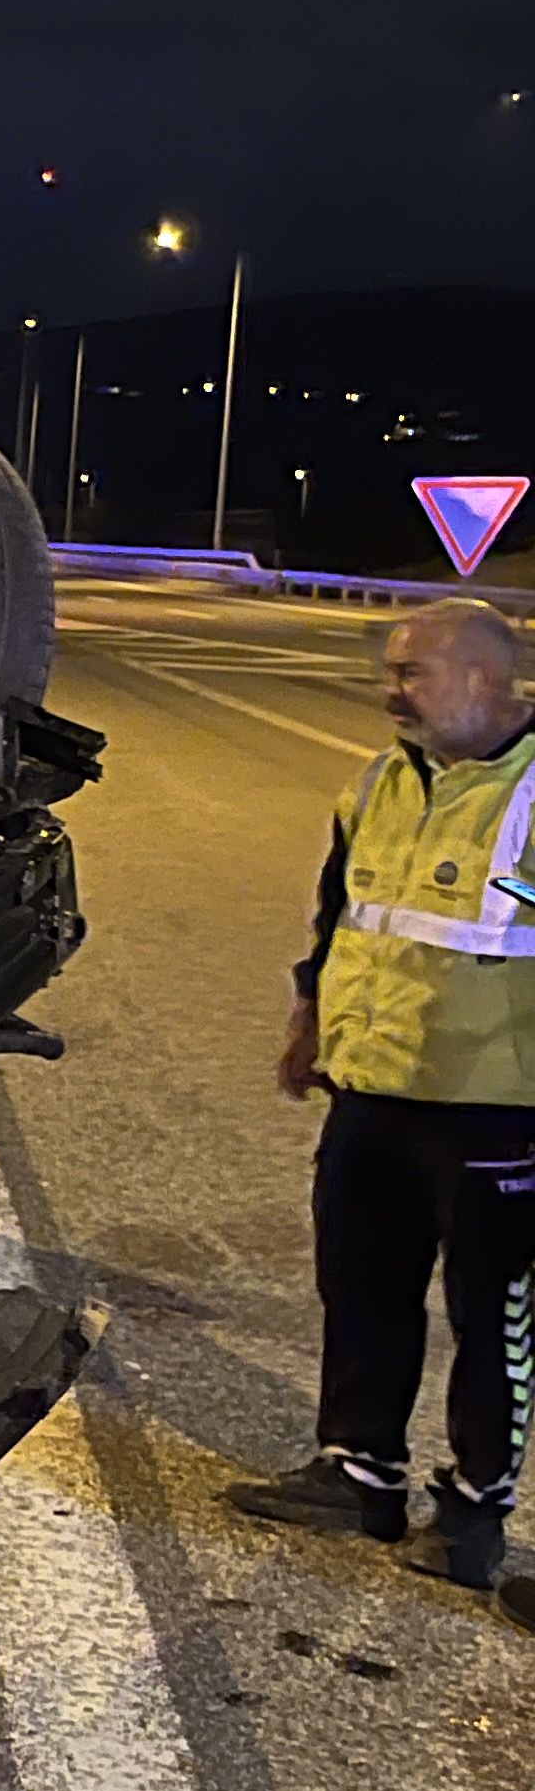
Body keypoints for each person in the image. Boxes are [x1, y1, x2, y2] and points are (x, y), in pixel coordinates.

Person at [240, 596, 535, 1591]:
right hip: (373, 1089)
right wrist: (308, 1018)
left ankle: (472, 1514)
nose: (391, 691)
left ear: (489, 681)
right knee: (361, 1290)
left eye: (413, 672)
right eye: (391, 670)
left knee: (493, 1321)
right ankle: (359, 1470)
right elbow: (343, 914)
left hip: (499, 1110)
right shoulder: (377, 783)